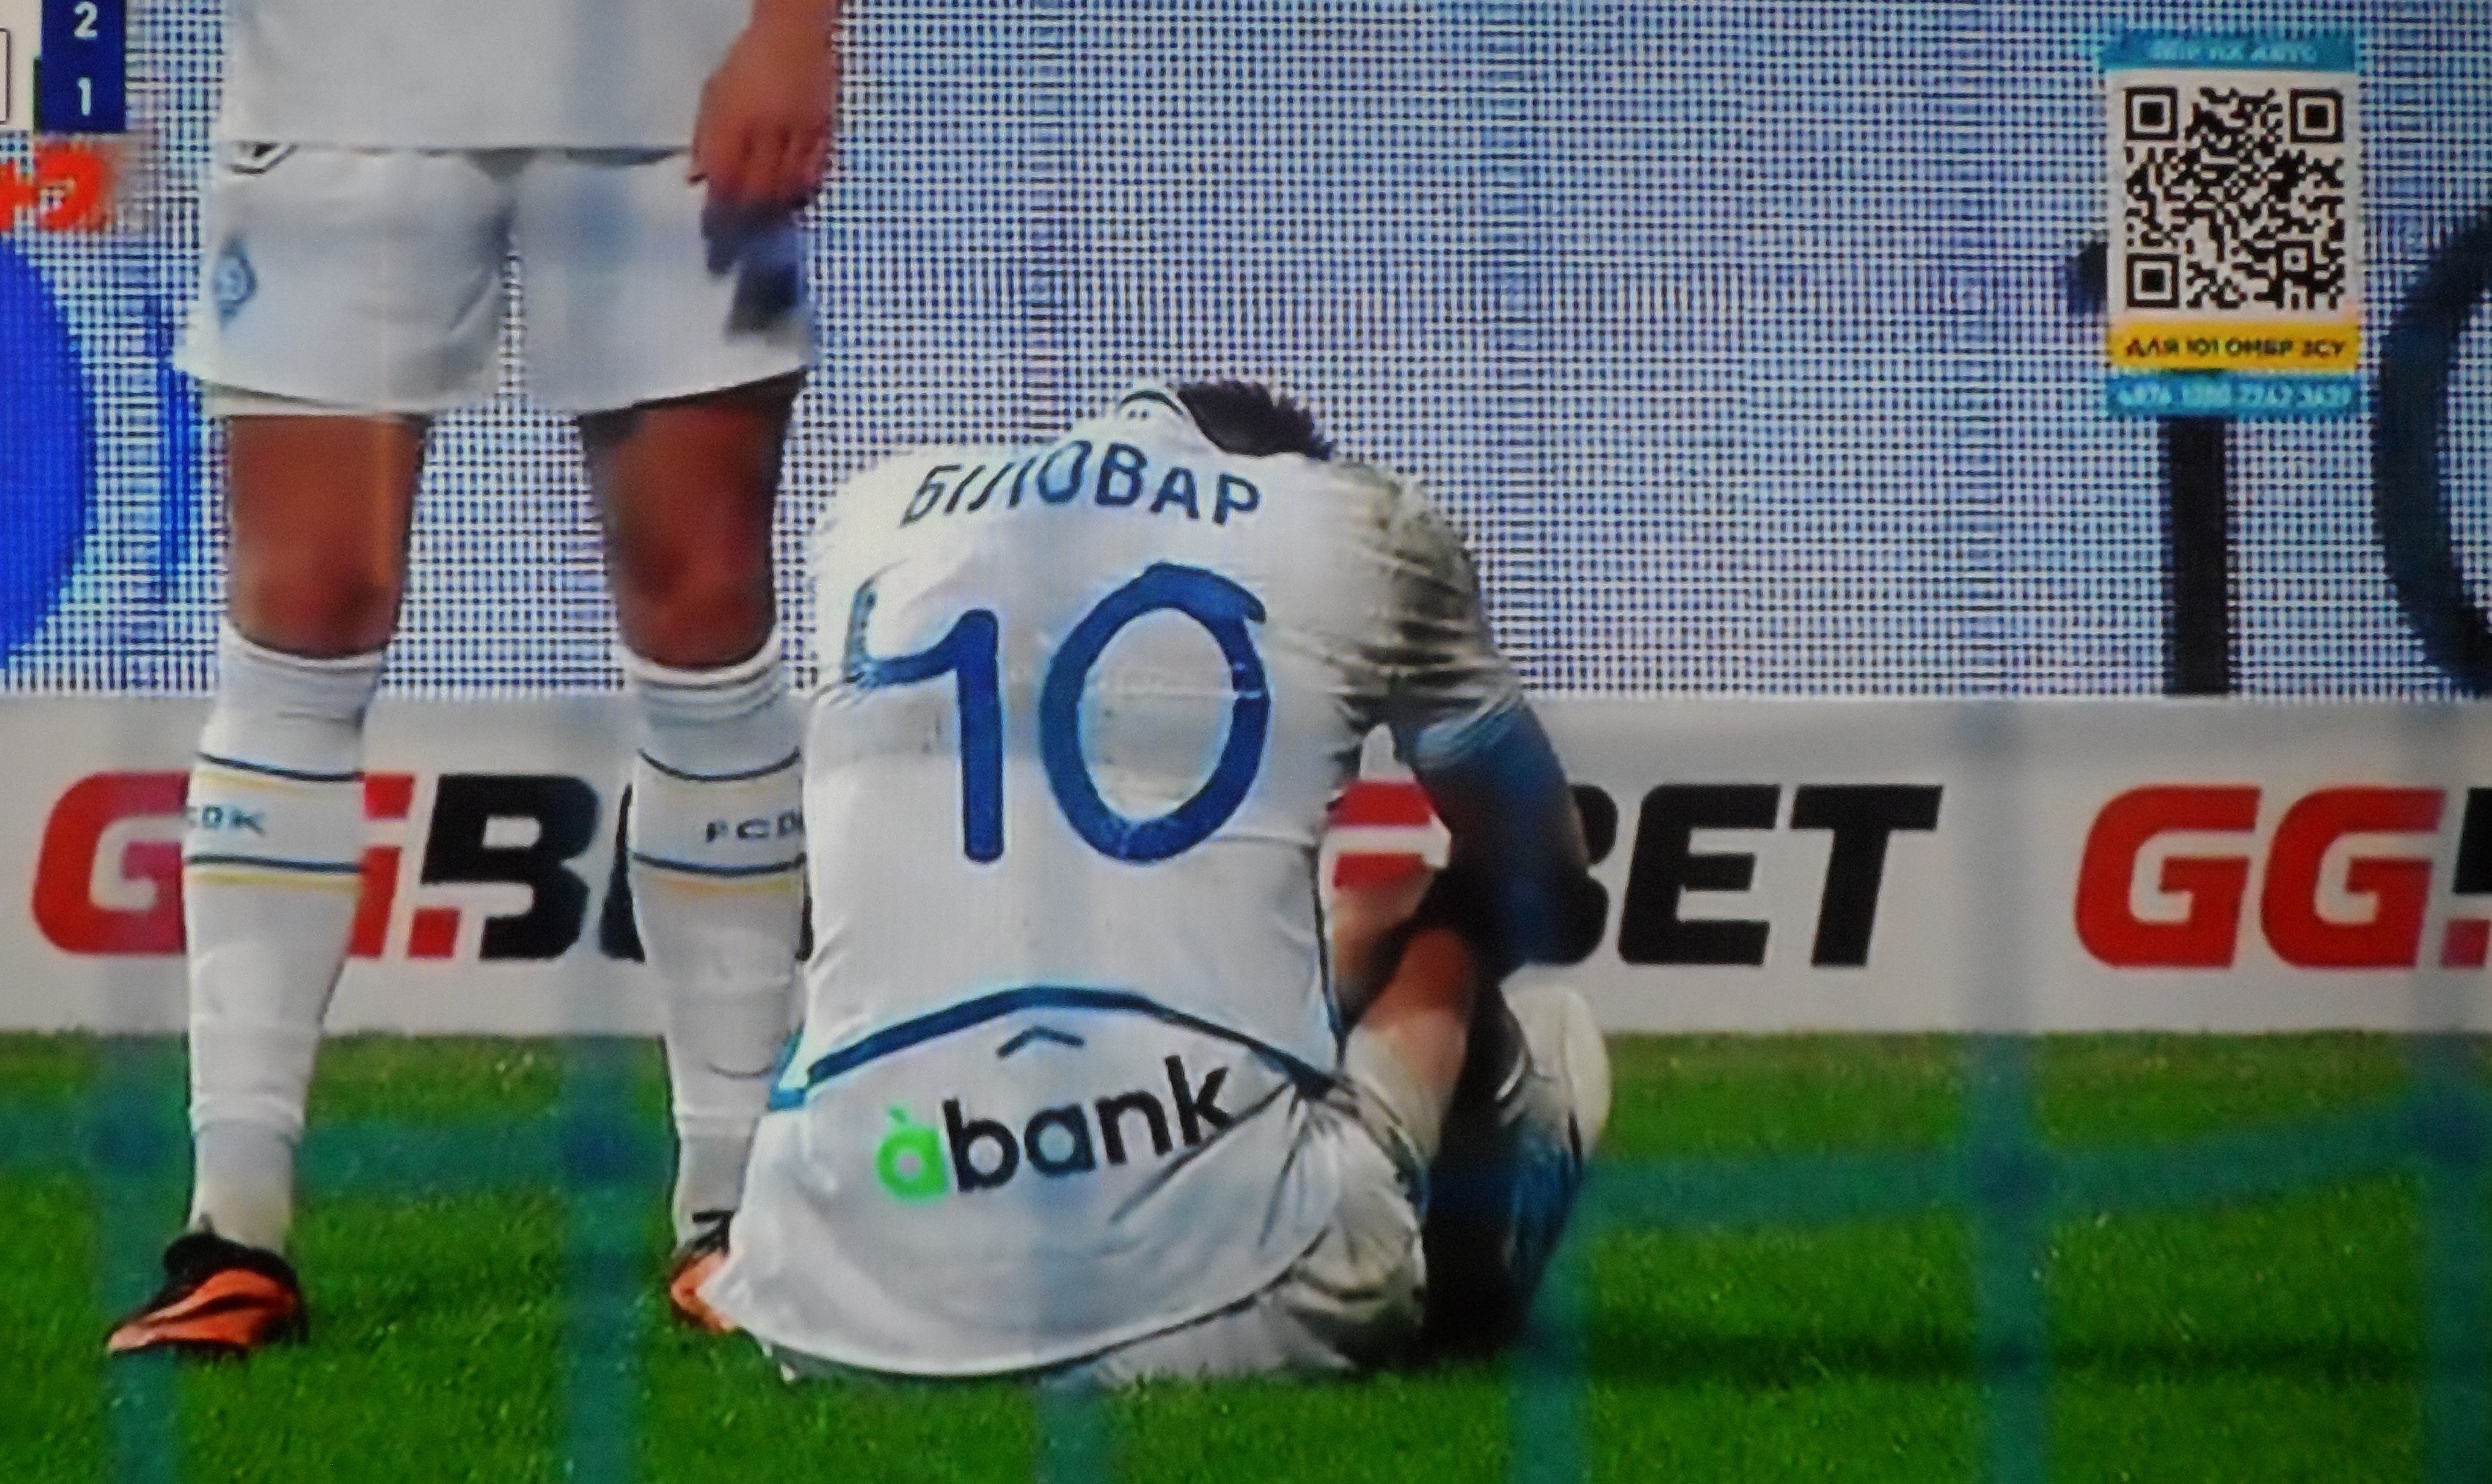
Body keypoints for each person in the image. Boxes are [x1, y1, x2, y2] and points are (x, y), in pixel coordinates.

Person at [105, 0, 838, 1358]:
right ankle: (233, 1229)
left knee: (703, 607)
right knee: (304, 609)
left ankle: (740, 1210)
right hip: (333, 79)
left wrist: (793, 26)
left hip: (667, 79)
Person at [688, 381, 1611, 1379]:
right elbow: (1546, 879)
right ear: (1278, 469)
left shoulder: (874, 512)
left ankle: (753, 1227)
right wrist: (1461, 909)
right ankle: (1475, 1260)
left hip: (833, 1306)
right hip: (1243, 1293)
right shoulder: (1357, 529)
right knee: (1464, 925)